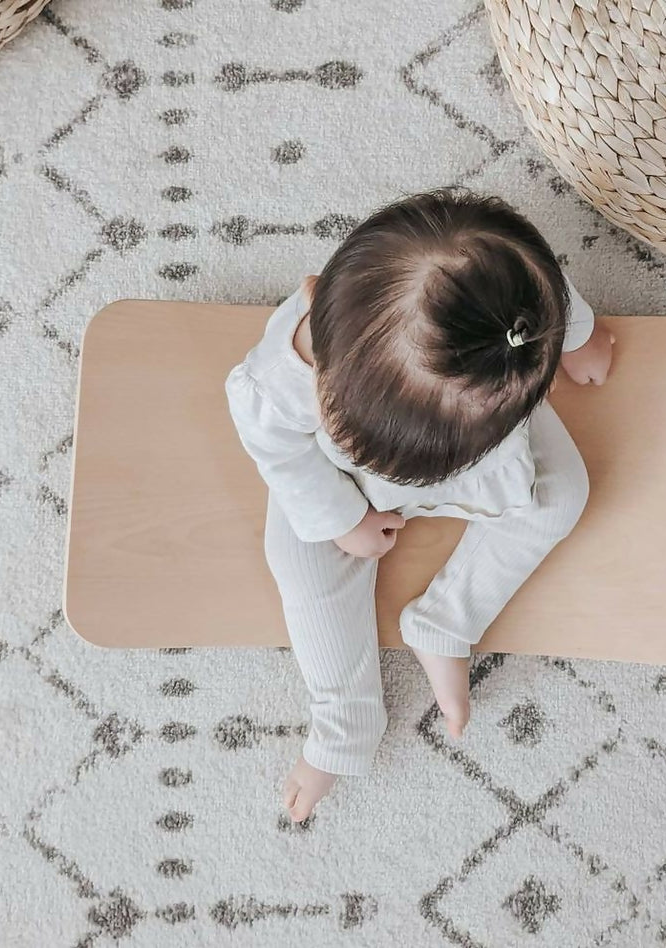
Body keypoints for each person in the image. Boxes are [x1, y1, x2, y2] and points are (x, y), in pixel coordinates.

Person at [226, 190, 613, 821]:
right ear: (316, 294)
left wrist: (575, 341)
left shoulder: (515, 305)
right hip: (343, 480)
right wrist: (341, 519)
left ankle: (445, 624)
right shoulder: (288, 371)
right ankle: (342, 719)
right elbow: (273, 444)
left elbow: (551, 296)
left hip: (484, 447)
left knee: (564, 494)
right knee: (298, 558)